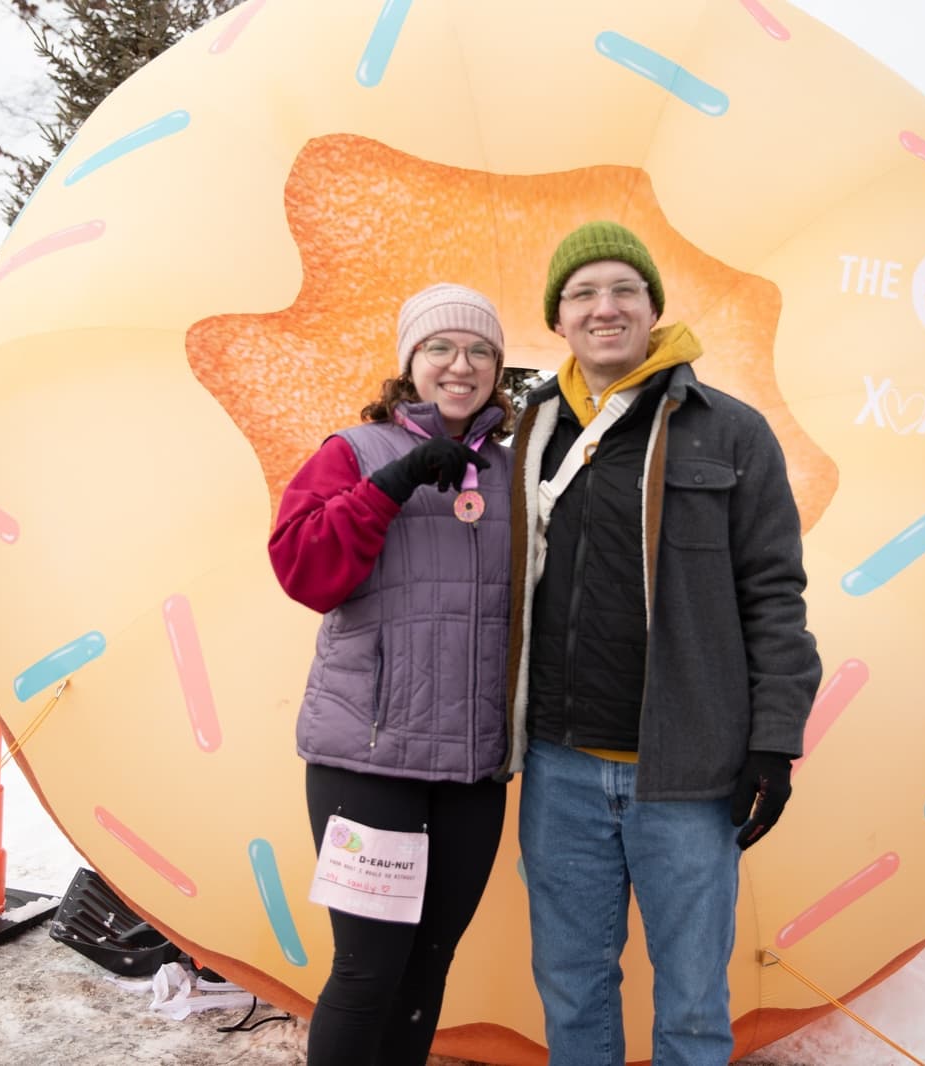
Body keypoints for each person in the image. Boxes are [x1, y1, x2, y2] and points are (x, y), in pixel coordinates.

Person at [502, 221, 823, 1065]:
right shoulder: (529, 435)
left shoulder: (731, 432)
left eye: (623, 291)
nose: (604, 308)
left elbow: (774, 594)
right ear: (558, 318)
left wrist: (773, 742)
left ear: (652, 309)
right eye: (583, 294)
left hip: (686, 771)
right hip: (560, 768)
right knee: (572, 986)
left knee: (690, 1002)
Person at [269, 282, 514, 1066]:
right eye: (439, 347)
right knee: (369, 972)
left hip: (472, 767)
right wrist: (392, 484)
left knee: (425, 968)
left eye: (479, 350)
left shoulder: (515, 471)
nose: (460, 364)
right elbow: (305, 569)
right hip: (371, 760)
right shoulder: (354, 451)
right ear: (409, 362)